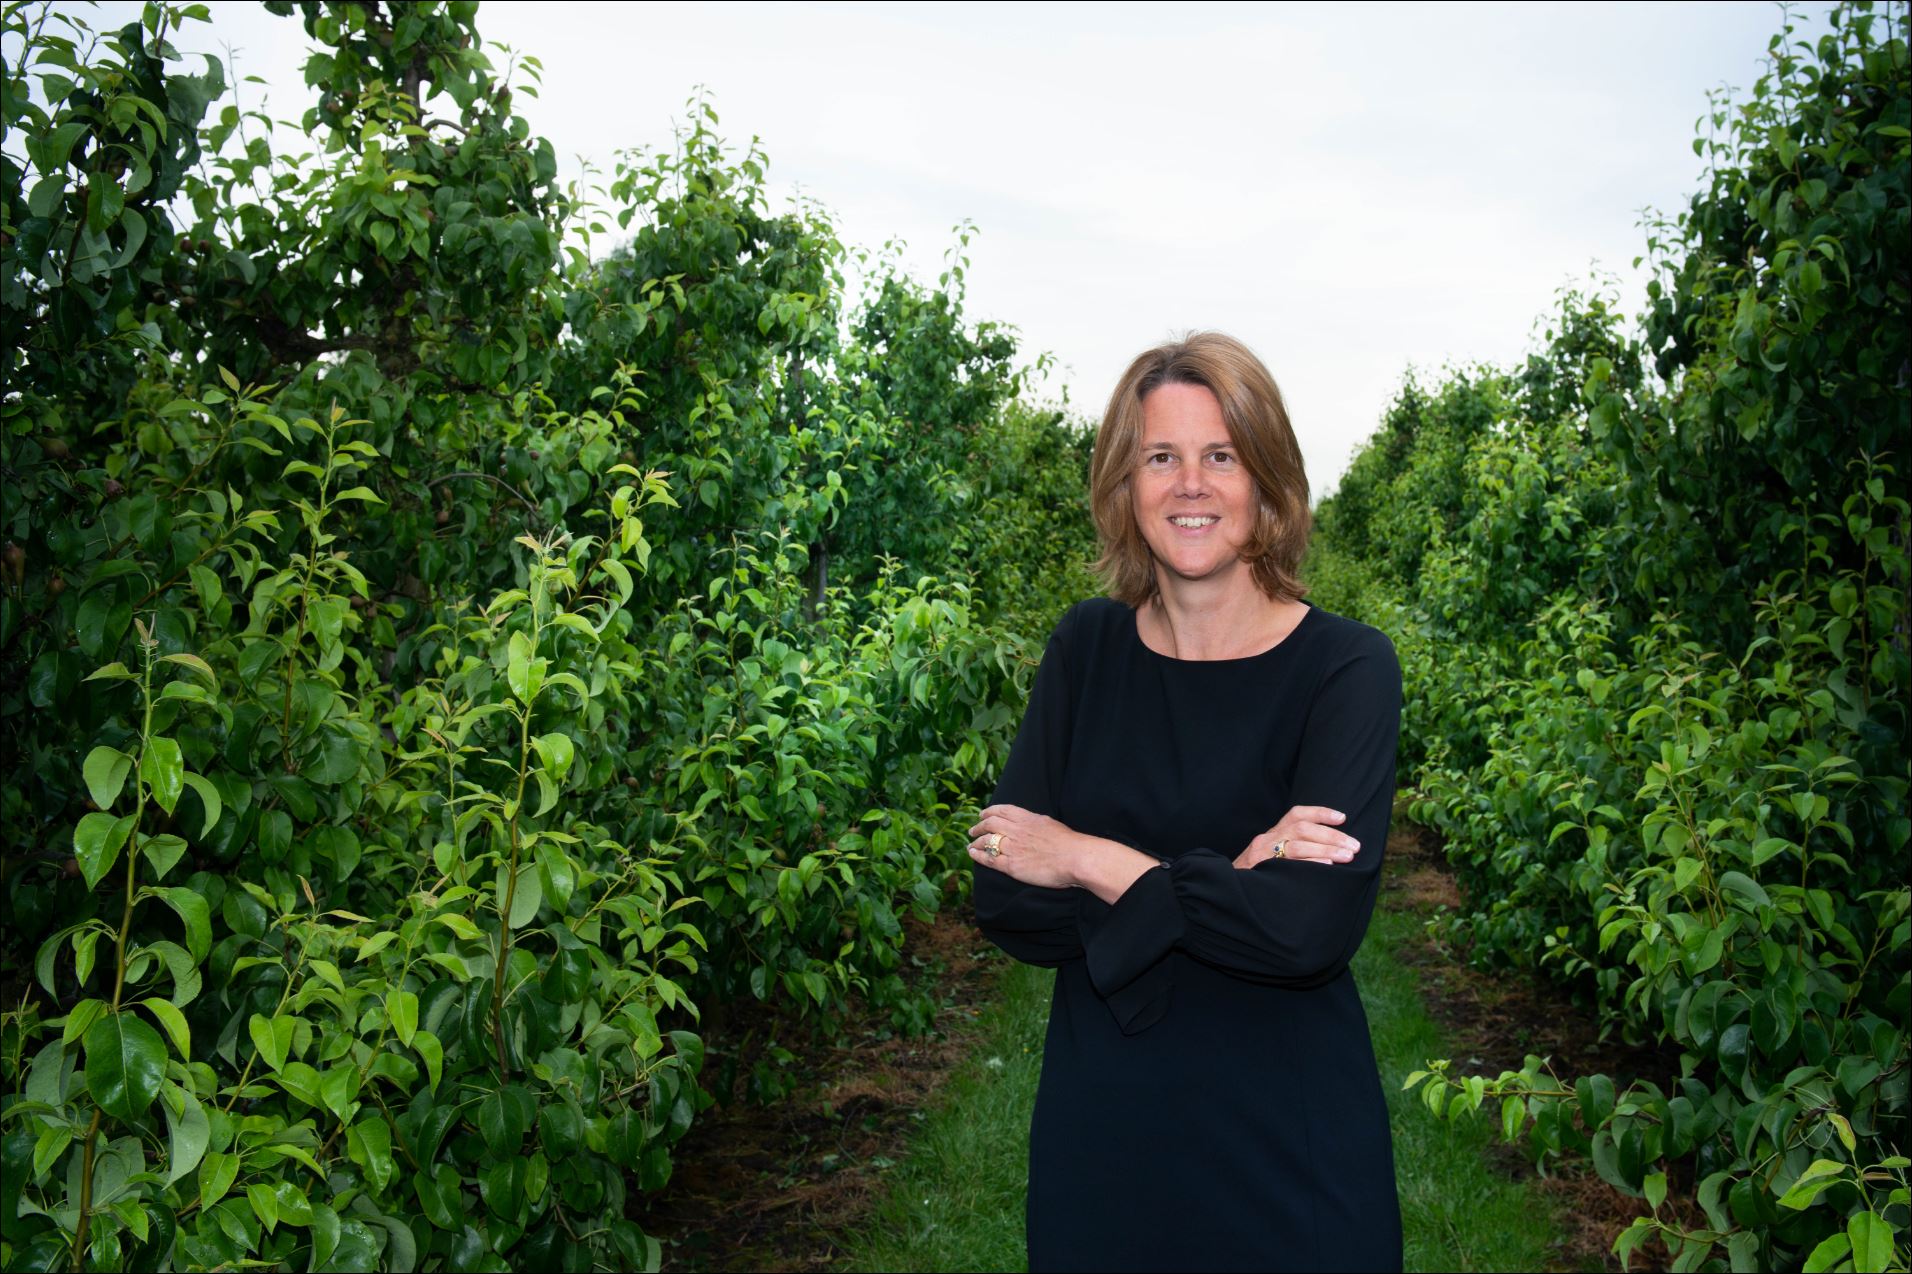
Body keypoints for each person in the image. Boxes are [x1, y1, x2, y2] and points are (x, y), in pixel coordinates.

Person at [966, 332, 1403, 1273]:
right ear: (1125, 485)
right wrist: (1232, 880)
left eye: (1223, 456)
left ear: (1269, 482)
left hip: (1290, 1151)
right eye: (1161, 457)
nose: (1191, 485)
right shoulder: (1086, 651)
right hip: (1104, 1149)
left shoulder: (1346, 668)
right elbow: (1002, 893)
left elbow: (1308, 930)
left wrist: (1087, 858)